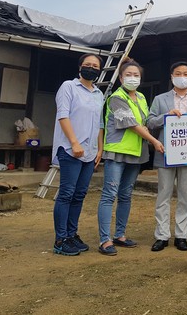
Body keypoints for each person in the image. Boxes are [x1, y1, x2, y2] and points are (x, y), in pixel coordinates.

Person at [97, 58, 165, 256]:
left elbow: (147, 122)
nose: (133, 78)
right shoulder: (116, 97)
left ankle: (120, 235)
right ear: (120, 78)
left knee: (126, 195)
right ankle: (104, 240)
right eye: (129, 75)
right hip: (117, 152)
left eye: (136, 75)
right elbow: (132, 124)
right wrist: (153, 140)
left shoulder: (142, 98)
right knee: (109, 195)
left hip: (136, 154)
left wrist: (169, 115)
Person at [146, 61, 187, 252]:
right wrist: (166, 115)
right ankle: (162, 235)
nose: (182, 76)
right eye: (178, 73)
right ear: (172, 77)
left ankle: (181, 236)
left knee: (184, 195)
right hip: (165, 153)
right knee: (163, 194)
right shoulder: (160, 99)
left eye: (186, 73)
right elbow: (150, 121)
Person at [52, 53, 104, 256]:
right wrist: (74, 143)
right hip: (70, 150)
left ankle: (72, 234)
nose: (91, 68)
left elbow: (99, 123)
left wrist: (99, 149)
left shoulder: (99, 94)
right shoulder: (68, 87)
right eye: (87, 64)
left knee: (79, 194)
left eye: (95, 66)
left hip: (90, 153)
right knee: (66, 193)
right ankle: (61, 239)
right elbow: (62, 115)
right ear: (80, 67)